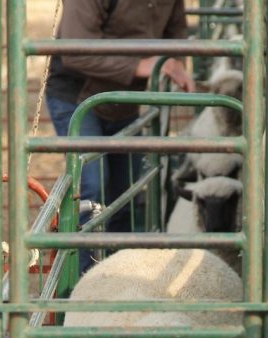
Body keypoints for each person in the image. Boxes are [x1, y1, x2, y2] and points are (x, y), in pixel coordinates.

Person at [45, 0, 195, 272]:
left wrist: (176, 62)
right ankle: (81, 288)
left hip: (124, 98)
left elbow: (176, 30)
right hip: (78, 97)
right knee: (91, 190)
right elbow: (75, 51)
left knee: (124, 195)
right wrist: (142, 66)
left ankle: (119, 279)